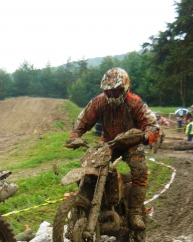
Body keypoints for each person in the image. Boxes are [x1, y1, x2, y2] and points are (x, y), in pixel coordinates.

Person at [65, 67, 159, 231]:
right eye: (109, 91)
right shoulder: (99, 102)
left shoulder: (135, 103)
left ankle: (135, 213)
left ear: (125, 88)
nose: (112, 94)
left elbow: (152, 124)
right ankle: (88, 204)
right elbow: (84, 119)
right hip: (109, 143)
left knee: (140, 170)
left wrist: (145, 135)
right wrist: (75, 135)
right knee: (90, 168)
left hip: (131, 143)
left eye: (116, 90)